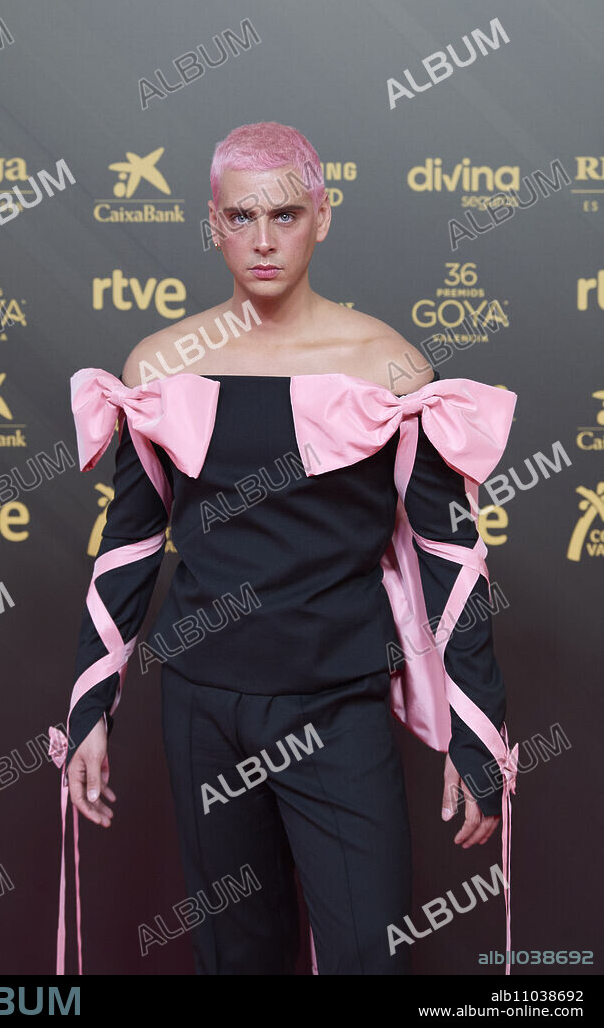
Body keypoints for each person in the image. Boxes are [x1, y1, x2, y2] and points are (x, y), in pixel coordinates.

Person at [50, 121, 517, 975]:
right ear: (213, 222)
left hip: (336, 704)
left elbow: (452, 559)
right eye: (240, 218)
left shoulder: (387, 365)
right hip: (203, 707)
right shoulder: (161, 365)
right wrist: (88, 709)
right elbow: (125, 545)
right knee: (235, 955)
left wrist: (477, 732)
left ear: (323, 216)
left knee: (368, 955)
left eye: (285, 215)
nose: (262, 240)